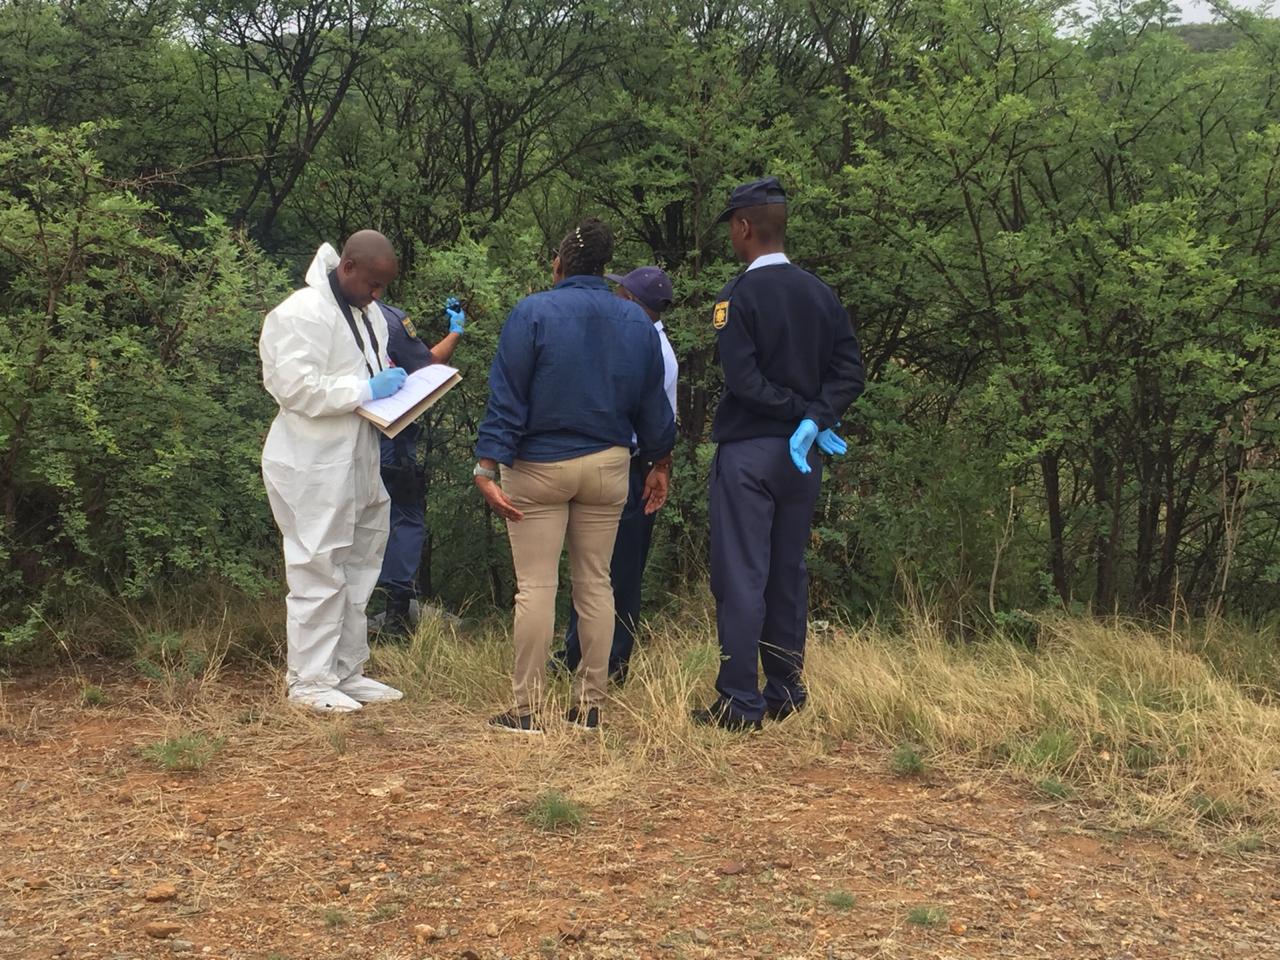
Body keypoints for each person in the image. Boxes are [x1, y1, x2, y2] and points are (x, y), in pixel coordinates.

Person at [473, 220, 676, 733]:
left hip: (536, 466)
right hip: (608, 466)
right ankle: (590, 708)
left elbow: (507, 399)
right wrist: (660, 463)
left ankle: (526, 711)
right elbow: (654, 407)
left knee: (536, 587)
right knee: (596, 584)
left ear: (558, 264)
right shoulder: (636, 322)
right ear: (606, 269)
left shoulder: (531, 312)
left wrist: (487, 464)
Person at [694, 177, 865, 732]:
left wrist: (798, 414)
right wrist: (816, 416)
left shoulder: (736, 297)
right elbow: (850, 372)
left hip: (751, 452)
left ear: (744, 227)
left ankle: (739, 701)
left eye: (731, 227)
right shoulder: (821, 293)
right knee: (787, 571)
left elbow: (744, 382)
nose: (731, 236)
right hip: (802, 457)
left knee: (742, 573)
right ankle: (786, 688)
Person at [259, 230, 409, 713]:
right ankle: (309, 680)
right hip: (311, 461)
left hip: (360, 456)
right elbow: (294, 387)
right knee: (318, 564)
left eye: (383, 287)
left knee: (360, 562)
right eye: (372, 284)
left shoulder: (368, 315)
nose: (377, 295)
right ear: (347, 267)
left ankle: (345, 671)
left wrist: (394, 391)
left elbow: (368, 372)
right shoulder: (301, 313)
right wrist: (366, 389)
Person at [554, 266, 679, 683]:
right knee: (594, 564)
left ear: (633, 302)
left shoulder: (653, 350)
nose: (615, 299)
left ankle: (612, 662)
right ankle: (577, 652)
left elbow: (659, 422)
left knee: (619, 570)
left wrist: (658, 467)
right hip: (619, 461)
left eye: (621, 293)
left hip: (633, 465)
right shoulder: (641, 341)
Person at [374, 297, 466, 637]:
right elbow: (428, 365)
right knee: (404, 516)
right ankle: (396, 614)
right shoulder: (390, 319)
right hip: (390, 437)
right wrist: (455, 332)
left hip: (337, 441)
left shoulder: (318, 315)